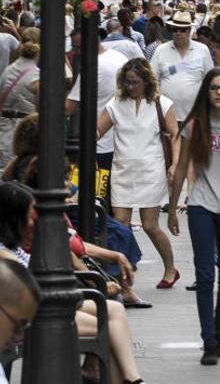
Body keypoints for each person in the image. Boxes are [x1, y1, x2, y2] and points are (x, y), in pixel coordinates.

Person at [0, 182, 147, 384]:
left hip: (46, 306)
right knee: (109, 328)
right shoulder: (7, 254)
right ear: (13, 218)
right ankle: (127, 378)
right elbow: (30, 292)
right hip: (36, 315)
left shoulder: (18, 243)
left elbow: (70, 249)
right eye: (28, 216)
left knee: (114, 310)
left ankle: (131, 378)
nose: (32, 221)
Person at [168, 68, 220, 365]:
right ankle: (208, 340)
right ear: (206, 92)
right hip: (201, 204)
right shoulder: (196, 125)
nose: (219, 93)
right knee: (205, 274)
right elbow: (181, 168)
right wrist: (173, 206)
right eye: (214, 88)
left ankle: (219, 327)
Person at [97, 58, 180, 289]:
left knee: (150, 225)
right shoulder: (116, 103)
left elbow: (174, 134)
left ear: (146, 81)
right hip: (123, 169)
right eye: (127, 82)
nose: (130, 86)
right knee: (120, 224)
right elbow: (98, 129)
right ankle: (120, 275)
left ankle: (170, 268)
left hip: (150, 170)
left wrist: (174, 165)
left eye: (134, 82)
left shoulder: (162, 103)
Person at [65, 32, 130, 206]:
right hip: (120, 138)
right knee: (114, 197)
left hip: (99, 141)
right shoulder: (119, 57)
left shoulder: (93, 67)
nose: (75, 52)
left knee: (96, 196)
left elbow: (68, 108)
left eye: (78, 47)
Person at [150, 11, 214, 126]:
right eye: (175, 29)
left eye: (183, 30)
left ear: (190, 30)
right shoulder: (161, 50)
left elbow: (210, 80)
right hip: (166, 116)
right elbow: (151, 79)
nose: (178, 33)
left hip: (195, 116)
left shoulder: (202, 50)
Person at [0, 42, 39, 170]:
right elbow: (42, 103)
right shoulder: (35, 75)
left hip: (4, 122)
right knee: (21, 162)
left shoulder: (8, 69)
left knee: (4, 160)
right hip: (25, 125)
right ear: (38, 54)